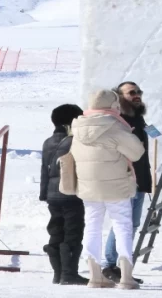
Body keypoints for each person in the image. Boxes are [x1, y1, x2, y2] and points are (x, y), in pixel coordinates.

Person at [70, 89, 146, 289]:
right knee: (122, 226)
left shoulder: (77, 127)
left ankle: (95, 276)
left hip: (88, 186)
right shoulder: (115, 126)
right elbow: (136, 153)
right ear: (113, 106)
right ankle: (126, 277)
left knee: (92, 226)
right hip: (116, 185)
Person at [102, 81, 151, 285]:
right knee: (122, 223)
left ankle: (123, 267)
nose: (137, 95)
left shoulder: (138, 118)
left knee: (132, 224)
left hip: (139, 178)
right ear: (120, 96)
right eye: (131, 92)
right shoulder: (118, 119)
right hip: (124, 179)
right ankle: (109, 265)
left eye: (138, 91)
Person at [40, 103, 88, 285]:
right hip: (71, 194)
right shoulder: (75, 141)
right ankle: (69, 273)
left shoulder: (47, 142)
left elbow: (44, 170)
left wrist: (44, 193)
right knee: (72, 233)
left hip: (52, 196)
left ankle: (58, 273)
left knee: (56, 231)